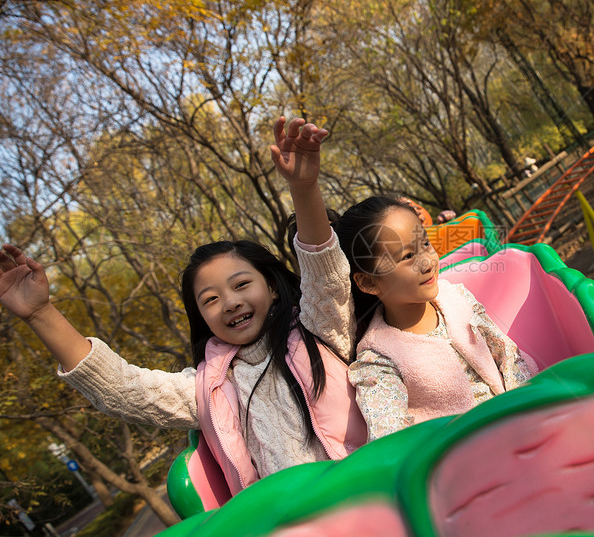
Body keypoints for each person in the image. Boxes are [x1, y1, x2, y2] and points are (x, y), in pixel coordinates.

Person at [0, 119, 365, 499]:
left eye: (241, 284)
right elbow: (125, 390)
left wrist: (303, 188)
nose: (230, 302)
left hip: (372, 495)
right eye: (209, 299)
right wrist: (39, 313)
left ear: (273, 287)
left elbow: (326, 275)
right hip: (294, 521)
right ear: (200, 317)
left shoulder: (319, 330)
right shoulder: (210, 388)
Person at [271, 118, 535, 444]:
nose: (426, 260)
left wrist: (531, 405)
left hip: (527, 424)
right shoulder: (377, 360)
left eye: (424, 243)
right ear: (368, 283)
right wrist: (304, 187)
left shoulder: (457, 299)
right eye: (406, 257)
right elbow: (391, 438)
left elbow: (509, 357)